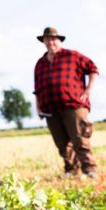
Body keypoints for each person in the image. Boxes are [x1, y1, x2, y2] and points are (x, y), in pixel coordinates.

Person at [34, 27, 99, 179]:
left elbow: (93, 69)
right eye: (47, 39)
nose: (50, 42)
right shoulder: (40, 63)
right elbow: (37, 88)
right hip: (50, 108)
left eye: (53, 39)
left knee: (80, 139)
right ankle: (71, 170)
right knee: (62, 143)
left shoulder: (72, 56)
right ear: (43, 41)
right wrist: (38, 106)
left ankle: (90, 170)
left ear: (59, 40)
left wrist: (88, 89)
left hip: (74, 105)